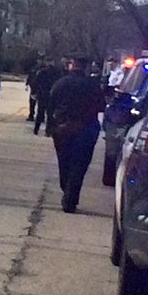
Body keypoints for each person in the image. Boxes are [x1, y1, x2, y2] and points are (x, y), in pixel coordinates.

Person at [47, 54, 106, 213]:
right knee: (79, 165)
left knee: (64, 162)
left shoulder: (60, 83)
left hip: (63, 128)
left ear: (72, 65)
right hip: (86, 129)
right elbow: (102, 106)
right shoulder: (93, 86)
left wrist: (51, 126)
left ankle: (67, 190)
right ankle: (70, 197)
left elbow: (50, 104)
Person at [31, 56, 59, 136]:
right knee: (49, 114)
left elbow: (36, 82)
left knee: (41, 113)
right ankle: (47, 131)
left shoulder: (42, 72)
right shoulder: (56, 72)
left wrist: (34, 92)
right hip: (50, 95)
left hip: (43, 94)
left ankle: (37, 129)